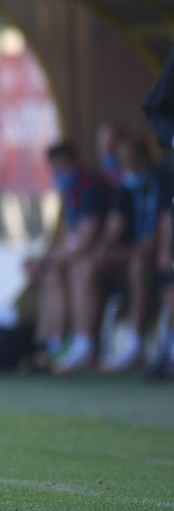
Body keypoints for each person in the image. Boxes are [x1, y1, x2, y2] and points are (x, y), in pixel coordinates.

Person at [79, 136, 171, 374]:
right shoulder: (125, 186)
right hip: (132, 253)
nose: (127, 164)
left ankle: (136, 343)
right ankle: (84, 344)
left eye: (132, 158)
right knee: (88, 266)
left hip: (156, 257)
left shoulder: (163, 180)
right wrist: (102, 250)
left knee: (139, 263)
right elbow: (115, 226)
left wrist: (162, 252)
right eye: (123, 159)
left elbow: (162, 229)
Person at [27, 141, 110, 374]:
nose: (58, 173)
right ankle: (54, 343)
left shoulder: (90, 188)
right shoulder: (69, 193)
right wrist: (47, 259)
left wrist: (51, 259)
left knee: (77, 269)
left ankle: (83, 344)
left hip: (102, 256)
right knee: (51, 273)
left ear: (73, 162)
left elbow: (85, 240)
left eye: (61, 166)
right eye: (54, 168)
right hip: (80, 254)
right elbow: (65, 239)